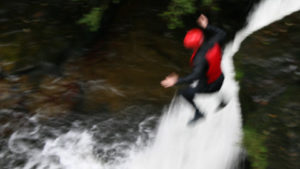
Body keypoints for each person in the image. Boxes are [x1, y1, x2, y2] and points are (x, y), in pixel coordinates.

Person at [161, 14, 226, 124]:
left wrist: (177, 81)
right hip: (220, 78)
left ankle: (199, 113)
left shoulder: (199, 59)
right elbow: (222, 33)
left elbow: (194, 77)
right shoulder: (213, 42)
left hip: (211, 86)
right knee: (199, 81)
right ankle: (222, 99)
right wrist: (207, 26)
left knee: (183, 92)